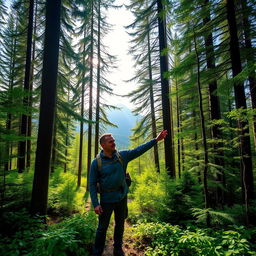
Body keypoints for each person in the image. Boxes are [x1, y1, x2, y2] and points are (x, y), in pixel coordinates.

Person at [89, 130, 168, 256]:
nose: (114, 143)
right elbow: (92, 184)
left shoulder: (122, 156)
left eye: (114, 141)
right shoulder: (96, 162)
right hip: (106, 200)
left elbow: (138, 150)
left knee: (120, 224)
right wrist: (95, 203)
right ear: (103, 145)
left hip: (121, 197)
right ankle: (97, 252)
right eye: (110, 142)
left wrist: (155, 140)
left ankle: (117, 249)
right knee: (102, 228)